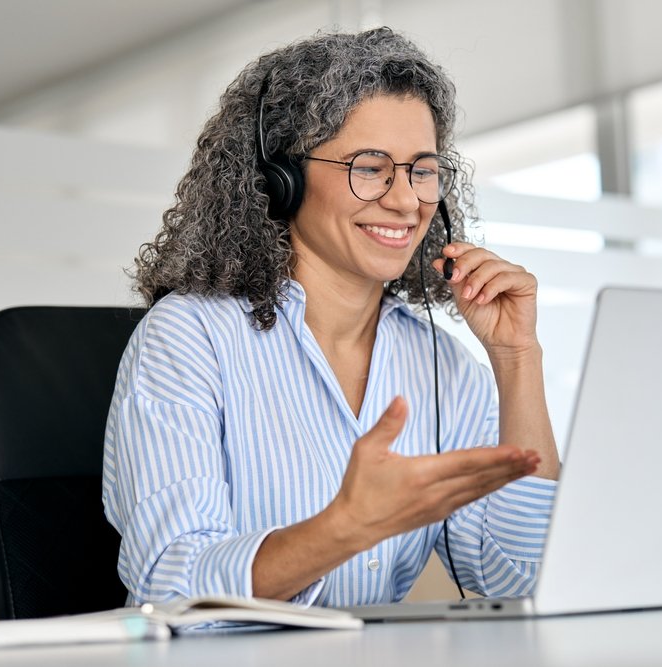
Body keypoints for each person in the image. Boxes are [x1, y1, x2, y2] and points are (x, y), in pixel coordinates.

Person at [102, 27, 560, 608]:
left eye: (422, 170)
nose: (405, 200)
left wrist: (517, 359)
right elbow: (171, 584)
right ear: (281, 181)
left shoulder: (440, 363)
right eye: (370, 167)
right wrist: (343, 528)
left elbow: (520, 581)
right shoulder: (189, 337)